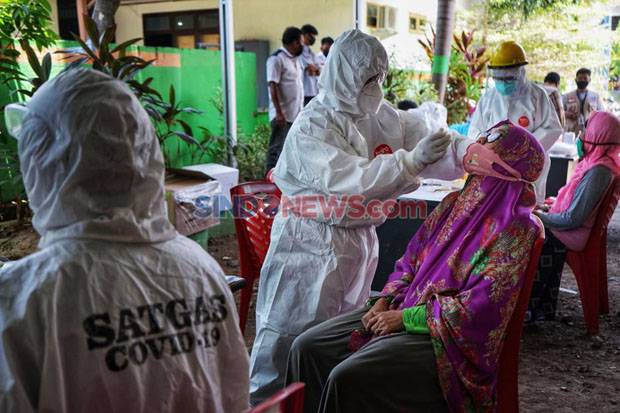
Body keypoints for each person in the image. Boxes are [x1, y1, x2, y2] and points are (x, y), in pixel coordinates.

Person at [0, 69, 249, 412]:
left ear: (43, 161)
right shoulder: (200, 267)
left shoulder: (23, 300)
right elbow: (235, 394)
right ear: (143, 153)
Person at [249, 29, 472, 405]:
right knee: (285, 335)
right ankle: (268, 406)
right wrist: (410, 161)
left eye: (378, 78)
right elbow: (350, 179)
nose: (375, 86)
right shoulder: (313, 124)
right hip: (307, 243)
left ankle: (323, 405)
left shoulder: (382, 116)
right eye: (366, 78)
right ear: (342, 74)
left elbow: (428, 137)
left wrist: (469, 151)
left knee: (340, 337)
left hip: (358, 241)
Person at [287, 120, 545, 413]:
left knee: (346, 377)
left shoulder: (516, 230)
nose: (479, 145)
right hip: (403, 304)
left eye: (490, 143)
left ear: (509, 164)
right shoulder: (453, 204)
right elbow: (410, 261)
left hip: (446, 341)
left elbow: (479, 310)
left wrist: (404, 318)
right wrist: (385, 300)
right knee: (307, 348)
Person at [529, 111, 620, 322]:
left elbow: (573, 219)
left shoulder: (599, 172)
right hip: (571, 228)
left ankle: (527, 306)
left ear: (599, 136)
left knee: (523, 230)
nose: (582, 135)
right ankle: (540, 306)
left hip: (571, 233)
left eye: (587, 130)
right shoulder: (597, 164)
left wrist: (539, 216)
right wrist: (546, 208)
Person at [469, 40, 563, 204]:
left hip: (528, 169)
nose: (503, 84)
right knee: (494, 215)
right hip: (493, 168)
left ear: (521, 72)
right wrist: (489, 149)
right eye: (499, 79)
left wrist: (521, 152)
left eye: (509, 79)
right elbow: (475, 130)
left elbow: (552, 129)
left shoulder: (537, 96)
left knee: (524, 216)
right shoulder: (488, 98)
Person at [266, 26, 304, 170]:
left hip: (295, 115)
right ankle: (268, 182)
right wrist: (279, 112)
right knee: (276, 150)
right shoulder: (276, 59)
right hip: (282, 115)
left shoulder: (295, 60)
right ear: (294, 43)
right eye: (300, 42)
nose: (302, 46)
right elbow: (272, 84)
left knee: (289, 151)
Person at [563, 68, 605, 137]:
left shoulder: (595, 97)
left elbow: (602, 114)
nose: (582, 80)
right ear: (576, 79)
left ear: (589, 80)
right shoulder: (567, 96)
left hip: (590, 133)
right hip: (571, 133)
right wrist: (568, 114)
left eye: (585, 78)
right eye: (580, 78)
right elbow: (559, 113)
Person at [301, 24, 320, 106]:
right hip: (303, 92)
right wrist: (312, 69)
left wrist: (313, 69)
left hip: (313, 91)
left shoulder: (311, 53)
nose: (313, 39)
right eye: (312, 36)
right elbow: (310, 69)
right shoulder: (299, 52)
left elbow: (318, 70)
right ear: (305, 35)